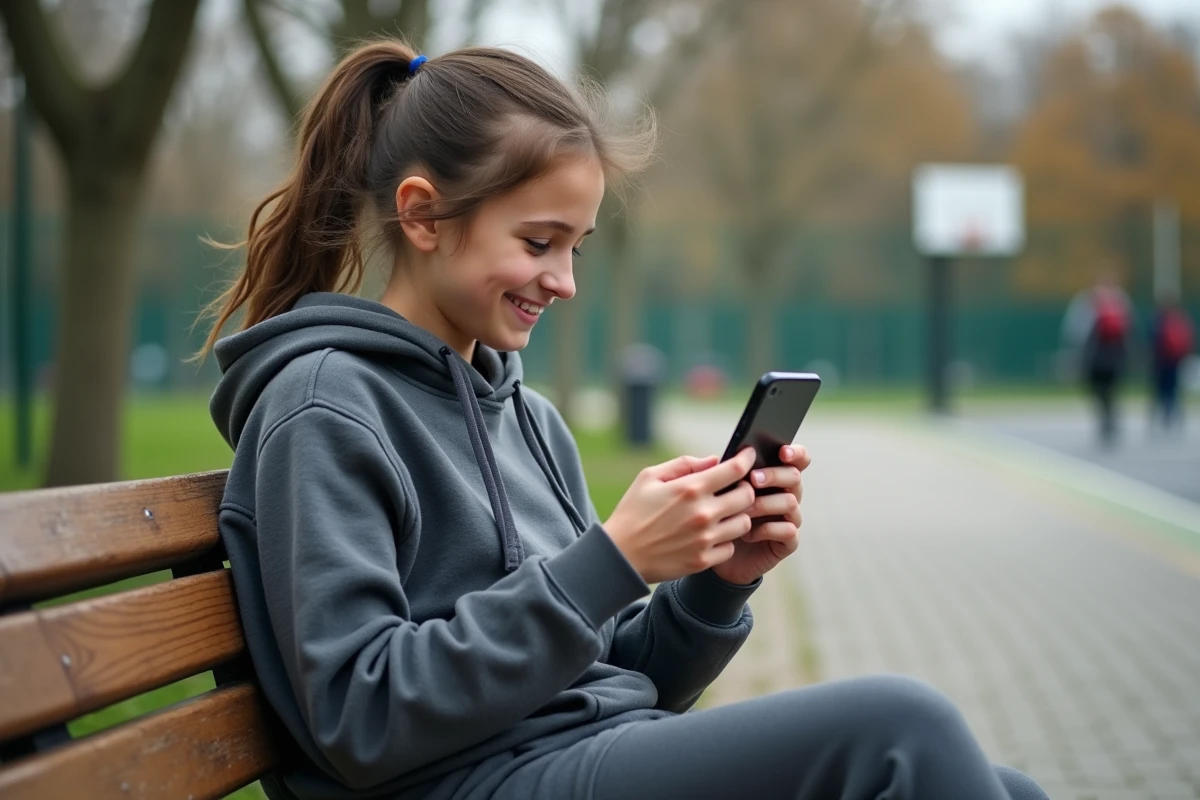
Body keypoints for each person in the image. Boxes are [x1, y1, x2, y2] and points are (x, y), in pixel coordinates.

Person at [200, 40, 1050, 800]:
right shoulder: (323, 406)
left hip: (577, 752)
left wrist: (717, 583)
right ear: (422, 215)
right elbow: (361, 713)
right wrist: (611, 561)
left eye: (578, 246)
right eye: (538, 242)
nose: (564, 280)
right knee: (901, 732)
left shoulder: (530, 420)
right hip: (463, 780)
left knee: (1003, 787)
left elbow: (619, 678)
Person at [1062, 273, 1133, 446]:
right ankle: (1110, 418)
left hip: (1095, 357)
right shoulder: (1121, 302)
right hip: (1115, 356)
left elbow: (1076, 330)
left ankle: (1106, 419)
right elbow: (1129, 329)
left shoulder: (1087, 301)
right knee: (1111, 390)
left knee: (1097, 391)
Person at [1148, 297, 1194, 431]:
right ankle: (1175, 418)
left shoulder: (1159, 321)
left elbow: (1153, 341)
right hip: (1176, 361)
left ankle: (1157, 419)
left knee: (1158, 391)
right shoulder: (1181, 320)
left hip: (1161, 361)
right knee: (1174, 391)